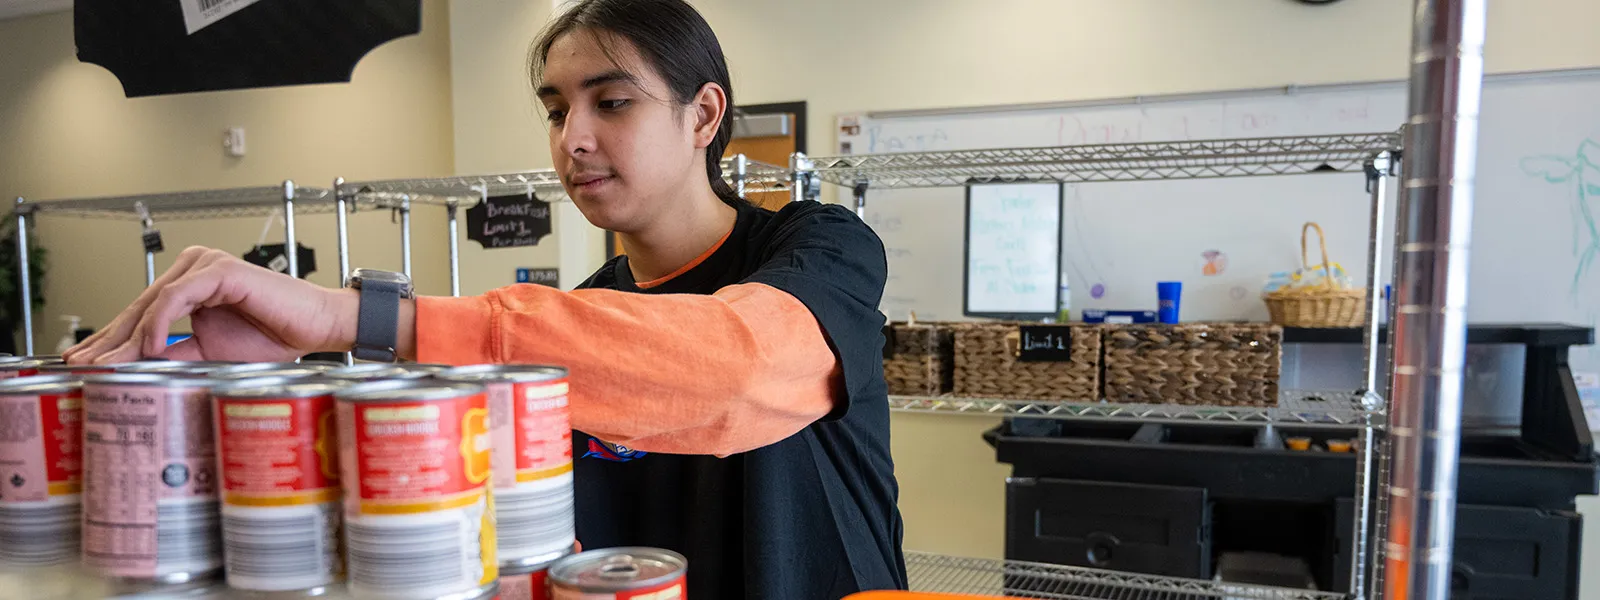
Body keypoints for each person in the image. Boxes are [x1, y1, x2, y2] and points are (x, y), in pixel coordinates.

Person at [64, 0, 906, 597]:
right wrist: (299, 364)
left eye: (611, 102)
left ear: (703, 115)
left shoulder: (822, 250)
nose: (572, 138)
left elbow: (735, 369)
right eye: (555, 109)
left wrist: (348, 317)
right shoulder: (584, 313)